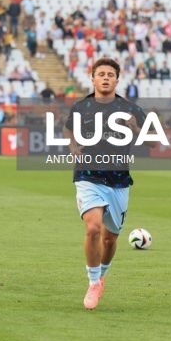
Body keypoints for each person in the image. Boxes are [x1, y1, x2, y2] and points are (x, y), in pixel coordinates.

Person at [64, 58, 154, 310]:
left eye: (110, 74)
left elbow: (155, 142)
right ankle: (93, 283)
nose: (105, 77)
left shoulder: (130, 109)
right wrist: (72, 146)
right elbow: (69, 129)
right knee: (93, 228)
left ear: (117, 79)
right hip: (87, 176)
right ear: (92, 78)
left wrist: (135, 129)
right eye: (100, 74)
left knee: (109, 240)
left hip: (119, 180)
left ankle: (101, 276)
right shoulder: (81, 107)